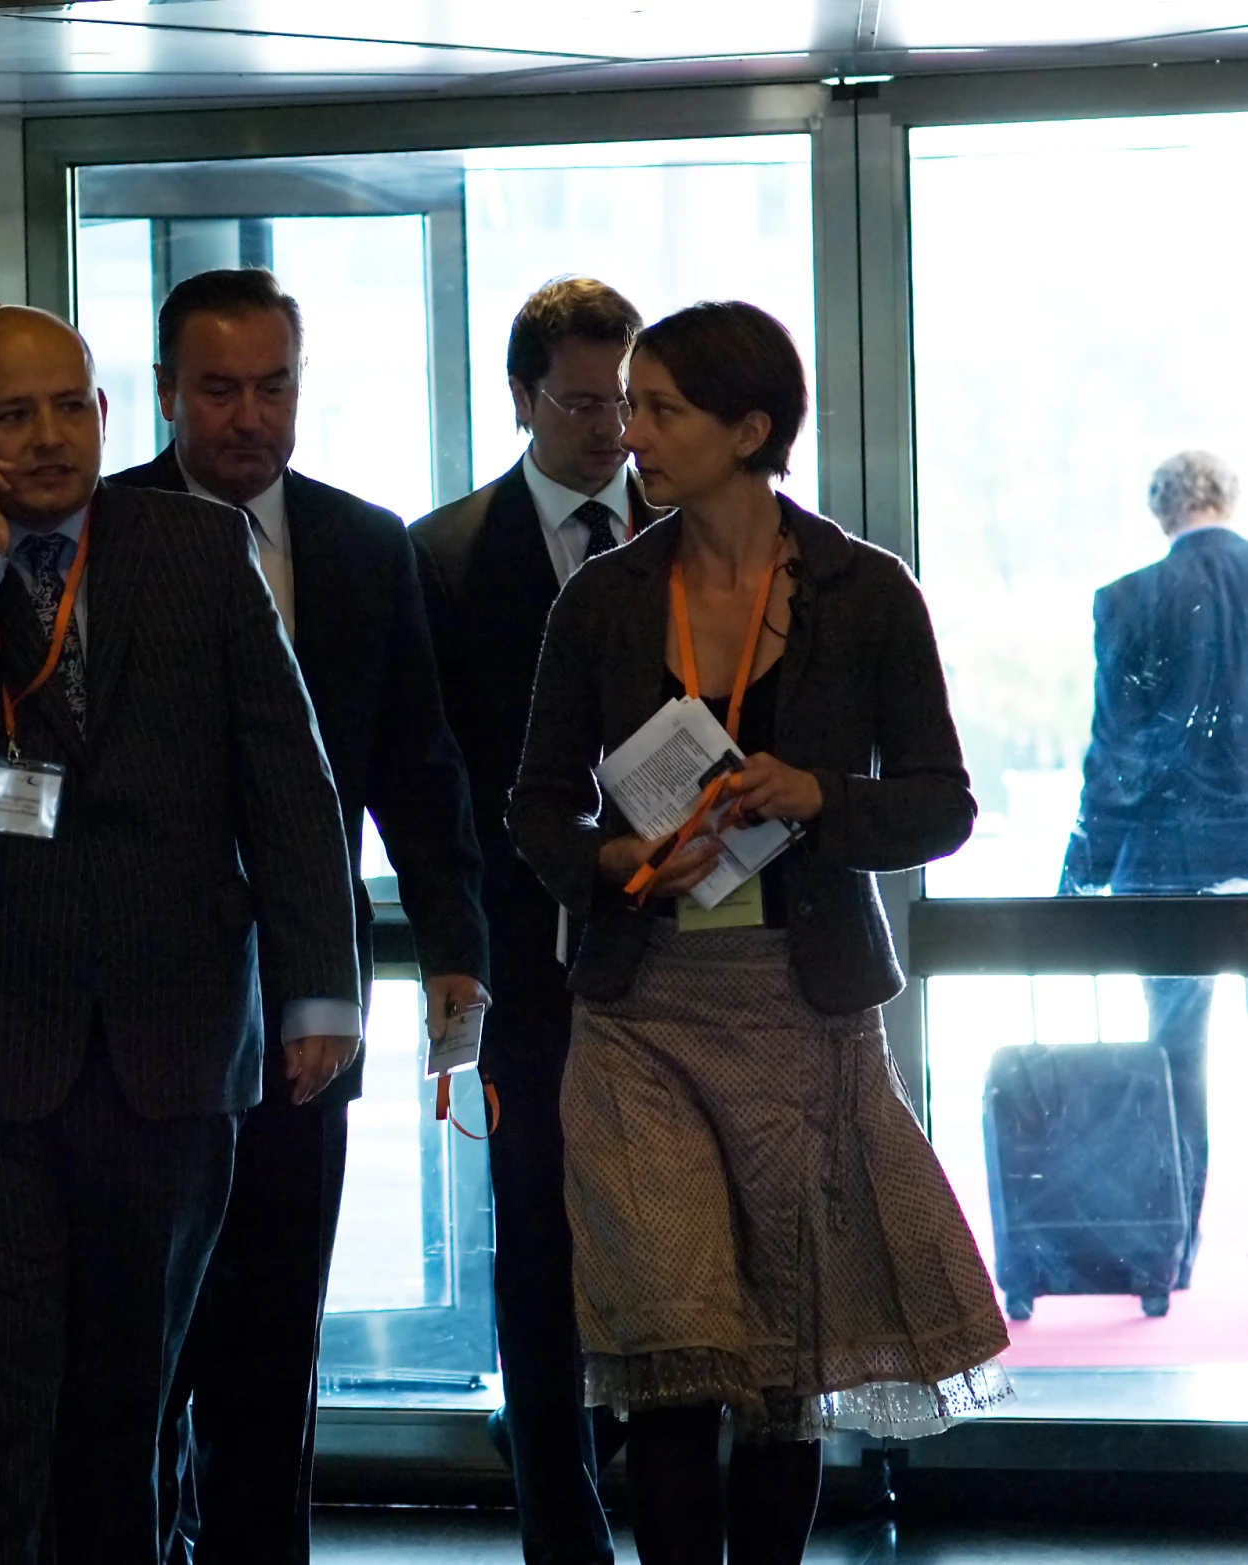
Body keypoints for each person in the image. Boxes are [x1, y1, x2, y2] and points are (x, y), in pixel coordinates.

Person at [0, 305, 361, 1565]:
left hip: (166, 1051)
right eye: (12, 415)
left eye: (71, 406)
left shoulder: (192, 546)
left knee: (127, 1404)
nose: (50, 436)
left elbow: (285, 775)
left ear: (111, 413)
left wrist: (317, 995)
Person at [508, 301, 1010, 1565]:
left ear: (749, 429)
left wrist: (816, 797)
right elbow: (532, 803)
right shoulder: (606, 598)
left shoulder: (863, 591)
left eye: (661, 408)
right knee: (673, 1352)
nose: (632, 433)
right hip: (640, 1010)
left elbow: (942, 802)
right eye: (627, 406)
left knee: (780, 1364)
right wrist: (612, 857)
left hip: (801, 1004)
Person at [110, 267, 489, 1565]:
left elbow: (414, 771)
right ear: (163, 393)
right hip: (131, 1007)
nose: (247, 417)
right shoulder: (96, 536)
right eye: (216, 389)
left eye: (272, 386)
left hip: (303, 1004)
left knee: (275, 1319)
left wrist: (453, 955)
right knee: (137, 1329)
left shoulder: (357, 544)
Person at [413, 276, 653, 1565]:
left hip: (686, 949)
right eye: (579, 401)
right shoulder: (445, 555)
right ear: (520, 397)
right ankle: (558, 1519)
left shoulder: (695, 532)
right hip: (525, 956)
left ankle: (671, 1496)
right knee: (539, 1230)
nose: (608, 427)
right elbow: (431, 774)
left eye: (625, 400)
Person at [1062, 449, 1248, 1289]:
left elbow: (1119, 752)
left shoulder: (1130, 600)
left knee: (1176, 1061)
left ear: (1161, 512)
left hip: (1171, 862)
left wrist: (1083, 865)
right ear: (1227, 498)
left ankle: (1170, 1248)